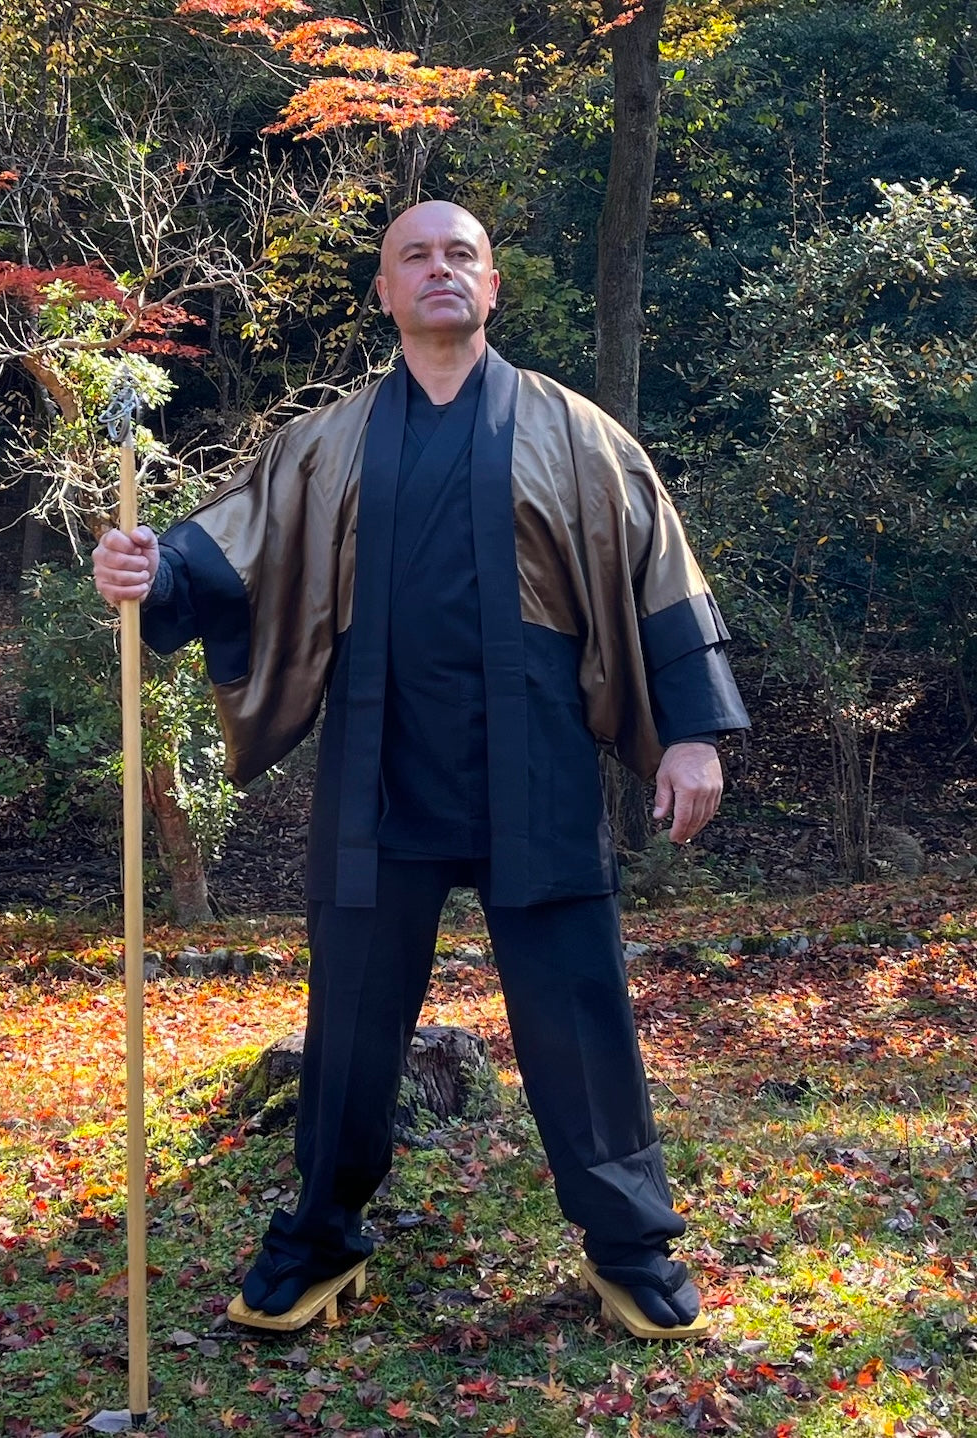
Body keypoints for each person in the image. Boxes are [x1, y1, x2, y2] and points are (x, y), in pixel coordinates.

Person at [93, 200, 750, 1334]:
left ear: (492, 288)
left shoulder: (578, 433)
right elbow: (229, 548)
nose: (440, 271)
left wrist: (689, 732)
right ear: (388, 294)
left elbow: (659, 571)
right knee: (349, 1023)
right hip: (376, 774)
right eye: (415, 257)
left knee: (579, 1013)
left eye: (462, 256)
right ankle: (319, 1239)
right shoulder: (326, 441)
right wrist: (150, 568)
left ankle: (631, 1247)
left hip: (534, 764)